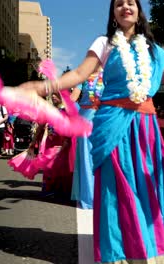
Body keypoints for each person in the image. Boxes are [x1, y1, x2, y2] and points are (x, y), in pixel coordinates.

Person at [15, 0, 164, 262]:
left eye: (131, 3)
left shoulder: (152, 49)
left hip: (145, 127)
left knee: (144, 185)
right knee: (116, 184)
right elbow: (79, 73)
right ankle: (116, 249)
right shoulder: (103, 43)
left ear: (138, 11)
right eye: (119, 4)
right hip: (112, 122)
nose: (125, 7)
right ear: (113, 14)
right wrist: (43, 86)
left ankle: (142, 241)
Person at [70, 69, 104, 209]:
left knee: (102, 157)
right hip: (84, 119)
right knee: (86, 157)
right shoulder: (83, 77)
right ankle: (88, 196)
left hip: (102, 119)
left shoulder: (108, 74)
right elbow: (72, 97)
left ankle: (102, 195)